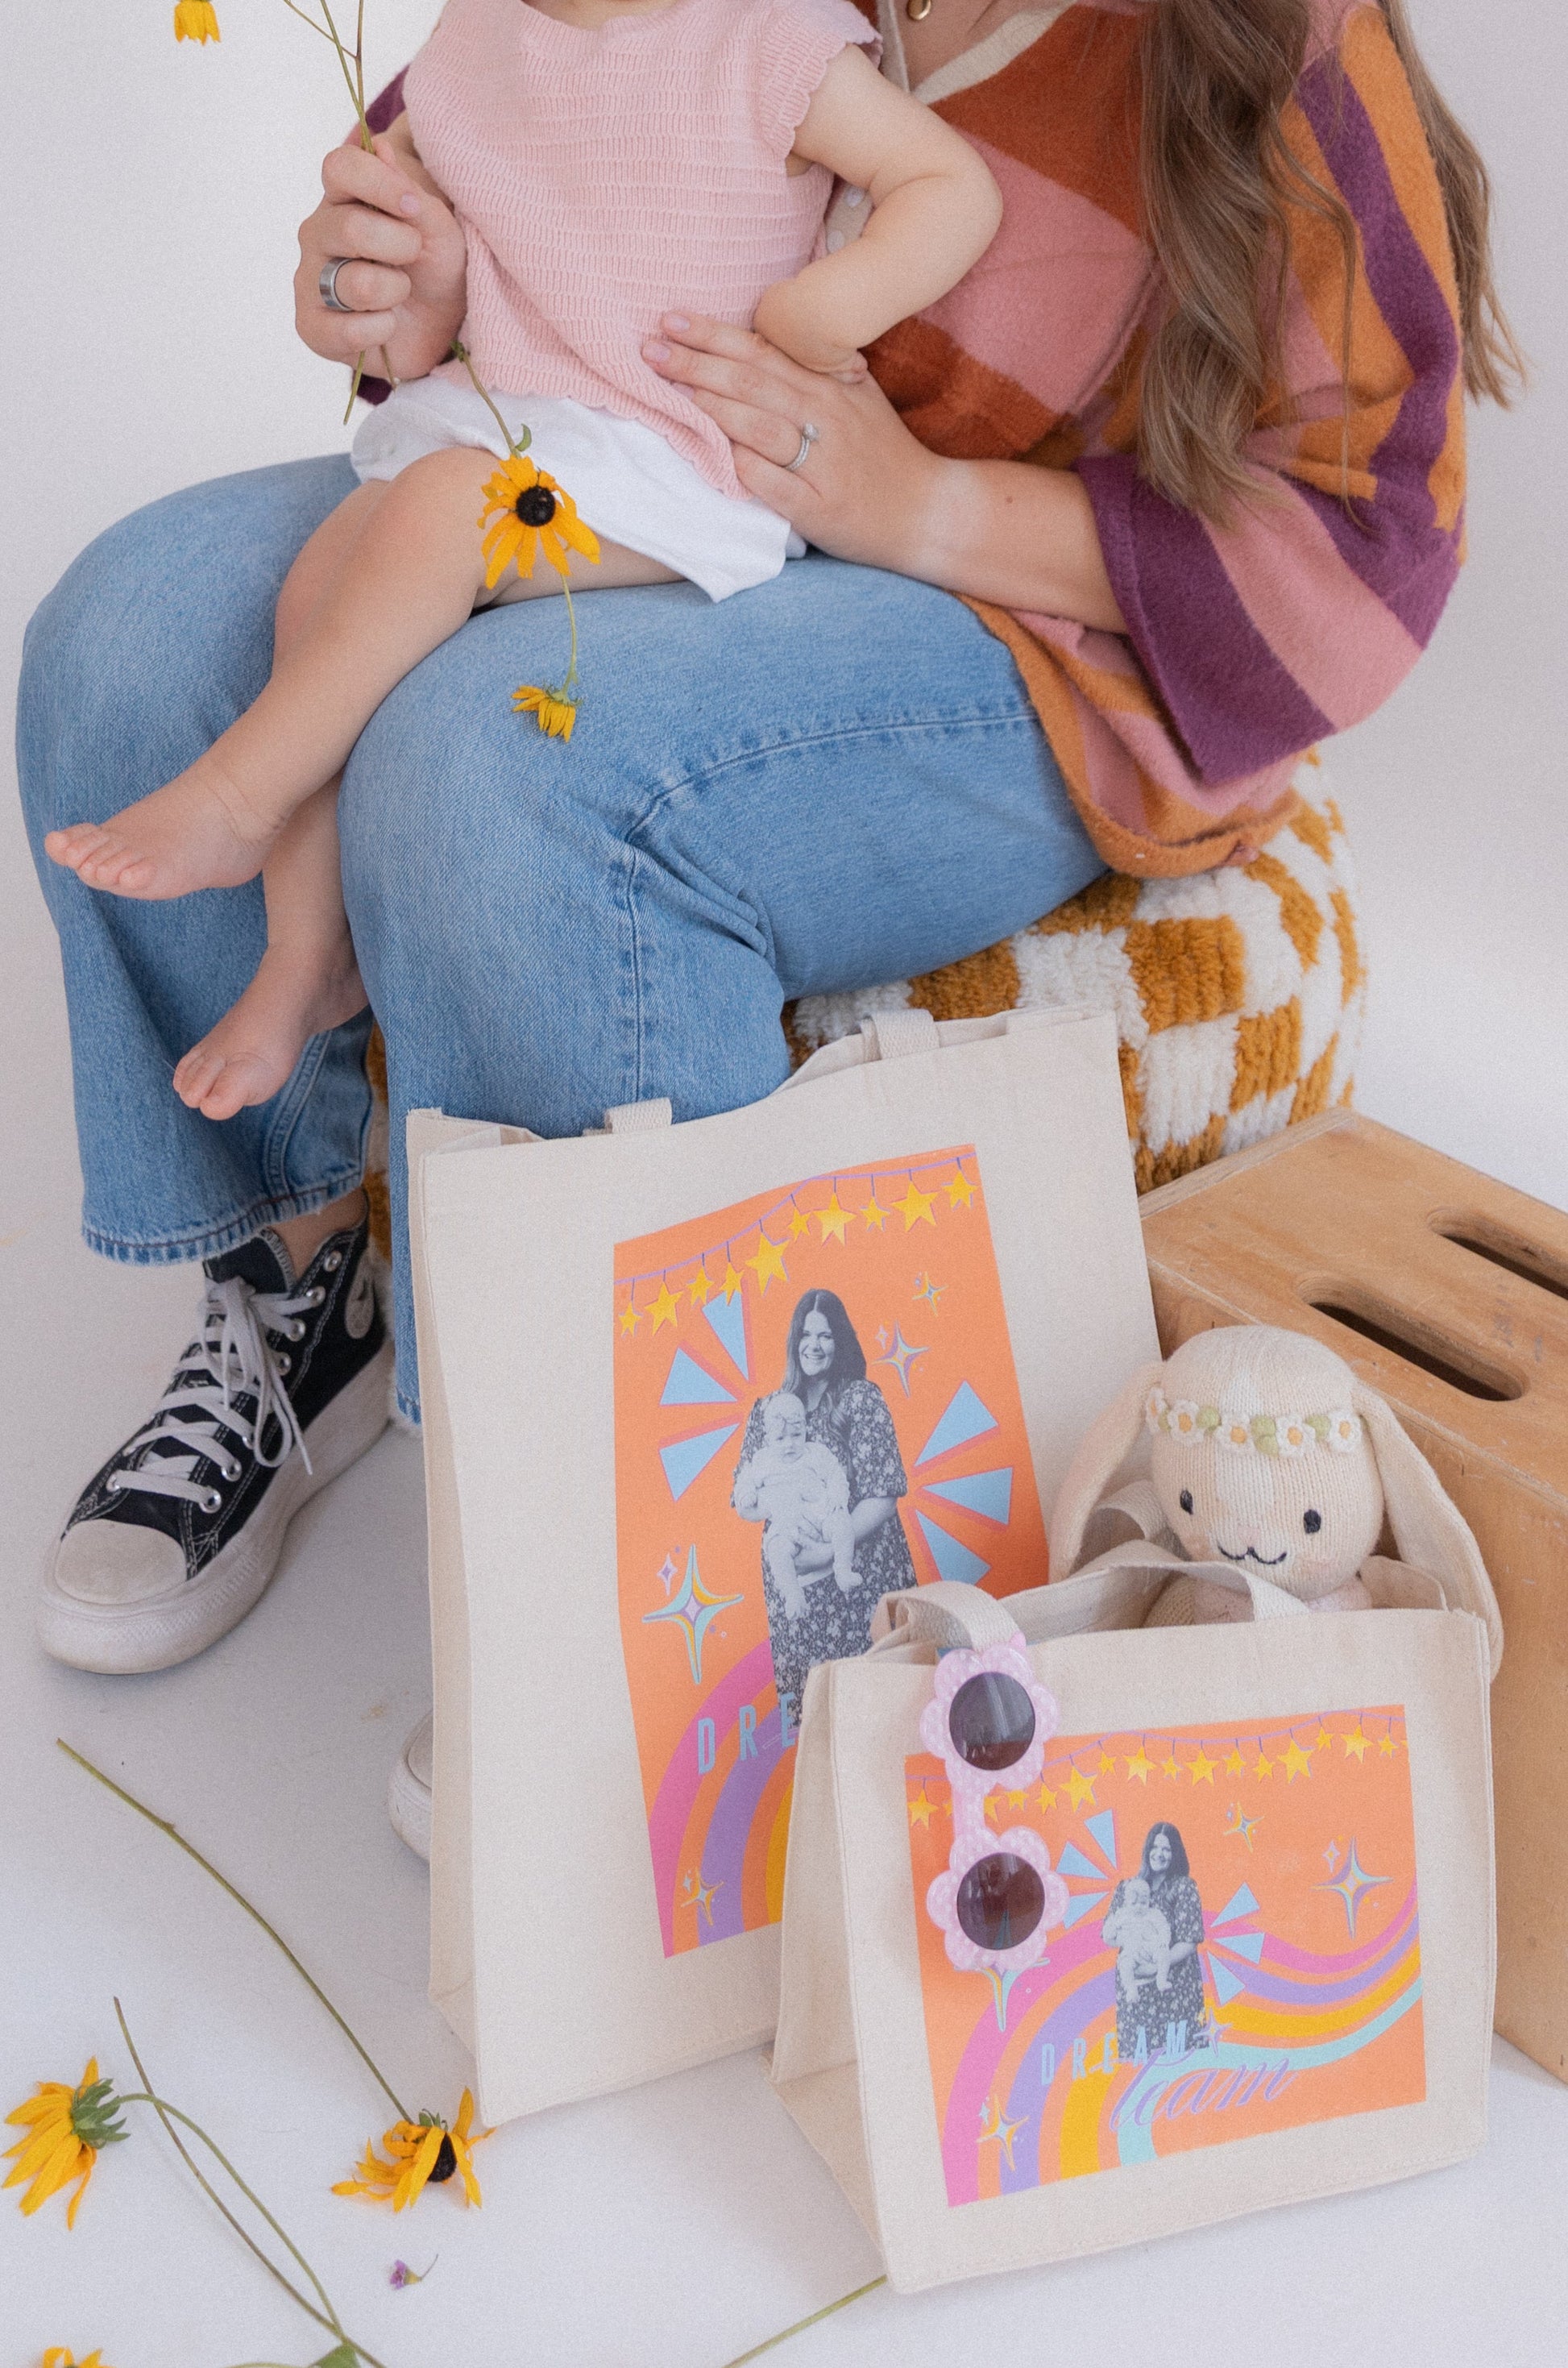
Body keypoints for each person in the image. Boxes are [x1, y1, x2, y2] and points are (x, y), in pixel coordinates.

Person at [19, 2, 1517, 1824]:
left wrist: (926, 502)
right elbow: (481, 173)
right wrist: (391, 283)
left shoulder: (1274, 37)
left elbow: (1371, 539)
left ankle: (662, 1588)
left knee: (509, 765)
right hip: (643, 476)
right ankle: (306, 1278)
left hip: (1025, 621)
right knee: (128, 640)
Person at [41, 0, 1001, 1128]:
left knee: (450, 513)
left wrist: (818, 311)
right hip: (527, 416)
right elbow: (401, 252)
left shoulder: (764, 39)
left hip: (684, 447)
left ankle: (239, 794)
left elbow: (949, 188)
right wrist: (389, 294)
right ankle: (305, 960)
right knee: (327, 576)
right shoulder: (477, 41)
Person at [731, 1290, 915, 1722]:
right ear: (794, 1341)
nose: (814, 1345)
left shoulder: (860, 1400)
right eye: (806, 1334)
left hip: (863, 1581)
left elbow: (883, 1495)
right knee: (820, 1722)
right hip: (800, 1594)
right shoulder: (768, 1413)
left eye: (826, 1335)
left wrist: (829, 1550)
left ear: (841, 1341)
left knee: (886, 1710)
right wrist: (779, 1518)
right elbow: (746, 1496)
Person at [732, 1389, 857, 1614]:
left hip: (821, 1516)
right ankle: (793, 1595)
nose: (789, 1444)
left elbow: (835, 1475)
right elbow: (744, 1480)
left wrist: (838, 1497)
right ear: (768, 1439)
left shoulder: (816, 1453)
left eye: (796, 1436)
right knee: (777, 1550)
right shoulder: (763, 1461)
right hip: (786, 1526)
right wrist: (746, 1494)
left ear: (806, 1430)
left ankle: (843, 1569)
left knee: (842, 1523)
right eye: (780, 1438)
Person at [1103, 1823, 1208, 2058]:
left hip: (1176, 1992)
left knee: (1180, 2062)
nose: (1159, 1854)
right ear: (1147, 1848)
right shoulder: (1127, 1888)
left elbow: (1189, 1941)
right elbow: (1109, 1931)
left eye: (1167, 1849)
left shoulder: (1184, 1888)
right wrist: (1132, 1946)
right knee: (1137, 2067)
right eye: (1155, 1846)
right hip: (1137, 1993)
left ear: (1176, 1854)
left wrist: (1156, 1966)